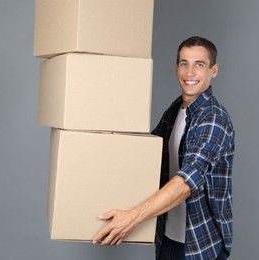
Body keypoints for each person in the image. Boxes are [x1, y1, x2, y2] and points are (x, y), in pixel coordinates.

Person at [92, 36, 235, 260]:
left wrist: (133, 217)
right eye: (184, 63)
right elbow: (147, 156)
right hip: (167, 239)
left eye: (199, 65)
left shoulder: (213, 118)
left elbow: (187, 182)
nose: (190, 72)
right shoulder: (176, 109)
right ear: (176, 68)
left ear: (213, 70)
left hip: (200, 246)